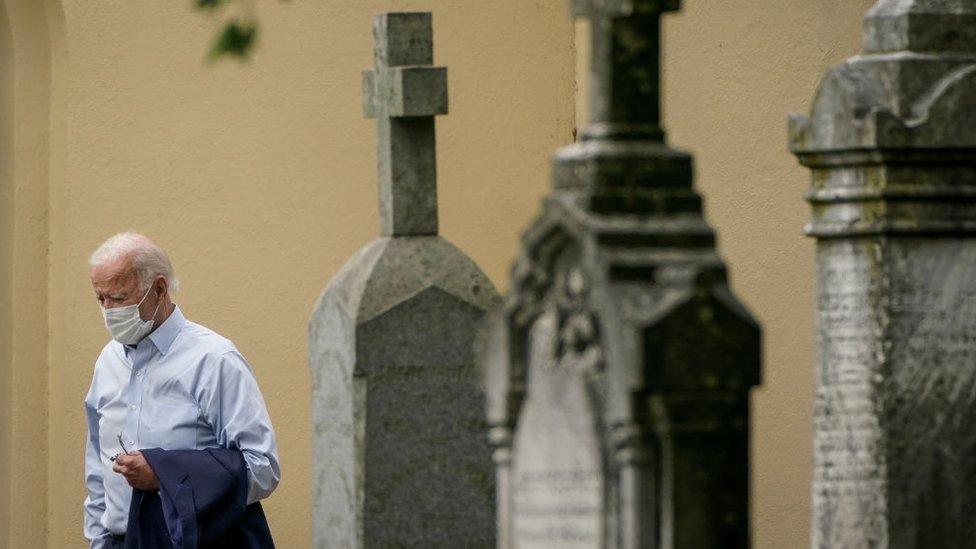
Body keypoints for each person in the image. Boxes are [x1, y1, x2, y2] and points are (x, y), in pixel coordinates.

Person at [83, 232, 280, 548]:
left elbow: (263, 469)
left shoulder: (213, 359)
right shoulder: (108, 361)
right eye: (100, 299)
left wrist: (165, 475)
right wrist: (98, 539)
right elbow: (97, 463)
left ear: (158, 289)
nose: (108, 310)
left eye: (118, 298)